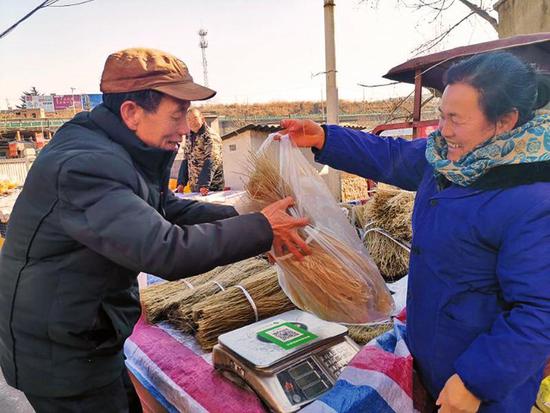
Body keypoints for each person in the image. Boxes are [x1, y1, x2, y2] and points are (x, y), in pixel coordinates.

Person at [0, 48, 310, 413]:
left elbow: (168, 209)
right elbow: (166, 250)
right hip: (58, 351)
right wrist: (260, 229)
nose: (184, 128)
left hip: (87, 330)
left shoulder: (122, 148)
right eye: (177, 114)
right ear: (131, 112)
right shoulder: (86, 165)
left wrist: (244, 214)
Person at [278, 51, 550, 413]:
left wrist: (475, 381)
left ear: (504, 121)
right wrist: (324, 139)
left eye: (456, 119)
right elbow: (389, 156)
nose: (444, 130)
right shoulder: (448, 159)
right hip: (432, 357)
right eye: (441, 115)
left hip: (482, 387)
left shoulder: (532, 200)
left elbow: (538, 312)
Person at [176, 107, 224, 196]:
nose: (192, 122)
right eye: (189, 120)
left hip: (211, 189)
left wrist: (204, 184)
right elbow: (186, 160)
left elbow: (212, 160)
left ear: (202, 119)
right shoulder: (189, 136)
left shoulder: (210, 136)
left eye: (195, 118)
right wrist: (181, 183)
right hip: (195, 189)